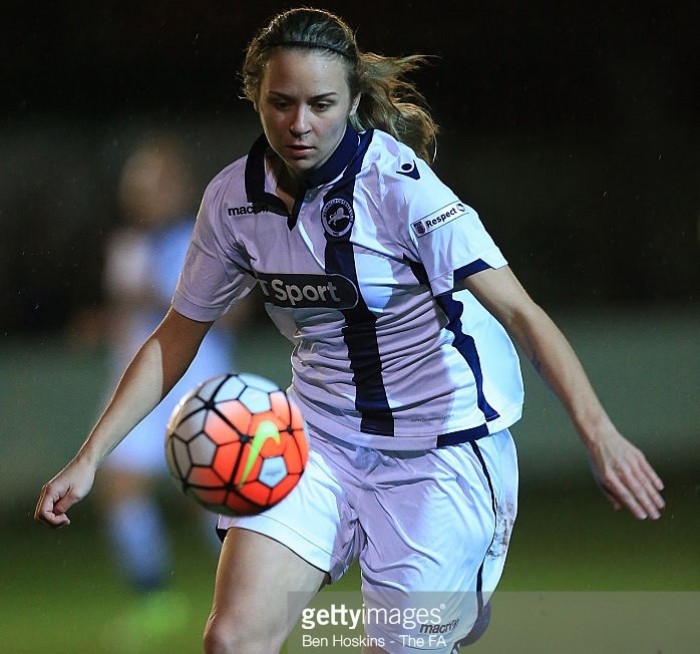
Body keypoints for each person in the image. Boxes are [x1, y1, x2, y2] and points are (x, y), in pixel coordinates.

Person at [35, 8, 665, 654]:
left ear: (354, 100)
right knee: (232, 639)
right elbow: (175, 335)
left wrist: (601, 435)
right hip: (315, 442)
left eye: (321, 104)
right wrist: (90, 458)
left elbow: (523, 316)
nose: (299, 124)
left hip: (439, 450)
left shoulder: (401, 190)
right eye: (280, 103)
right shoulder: (232, 201)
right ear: (255, 96)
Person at [93, 135, 248, 647]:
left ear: (178, 188)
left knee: (210, 497)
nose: (142, 193)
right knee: (118, 487)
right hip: (140, 384)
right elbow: (123, 320)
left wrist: (160, 297)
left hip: (200, 380)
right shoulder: (126, 246)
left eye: (153, 183)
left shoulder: (204, 239)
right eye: (135, 184)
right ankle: (152, 595)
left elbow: (232, 318)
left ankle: (248, 592)